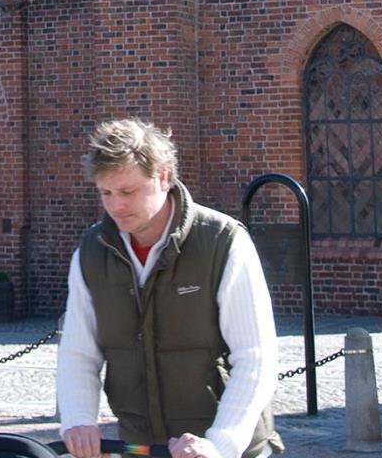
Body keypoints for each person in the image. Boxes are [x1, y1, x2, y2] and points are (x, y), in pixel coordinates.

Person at [57, 119, 280, 458]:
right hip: (142, 446)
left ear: (162, 177)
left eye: (128, 192)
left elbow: (255, 357)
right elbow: (78, 352)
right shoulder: (92, 252)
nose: (115, 206)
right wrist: (77, 421)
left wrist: (220, 443)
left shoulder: (222, 243)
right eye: (106, 193)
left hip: (226, 447)